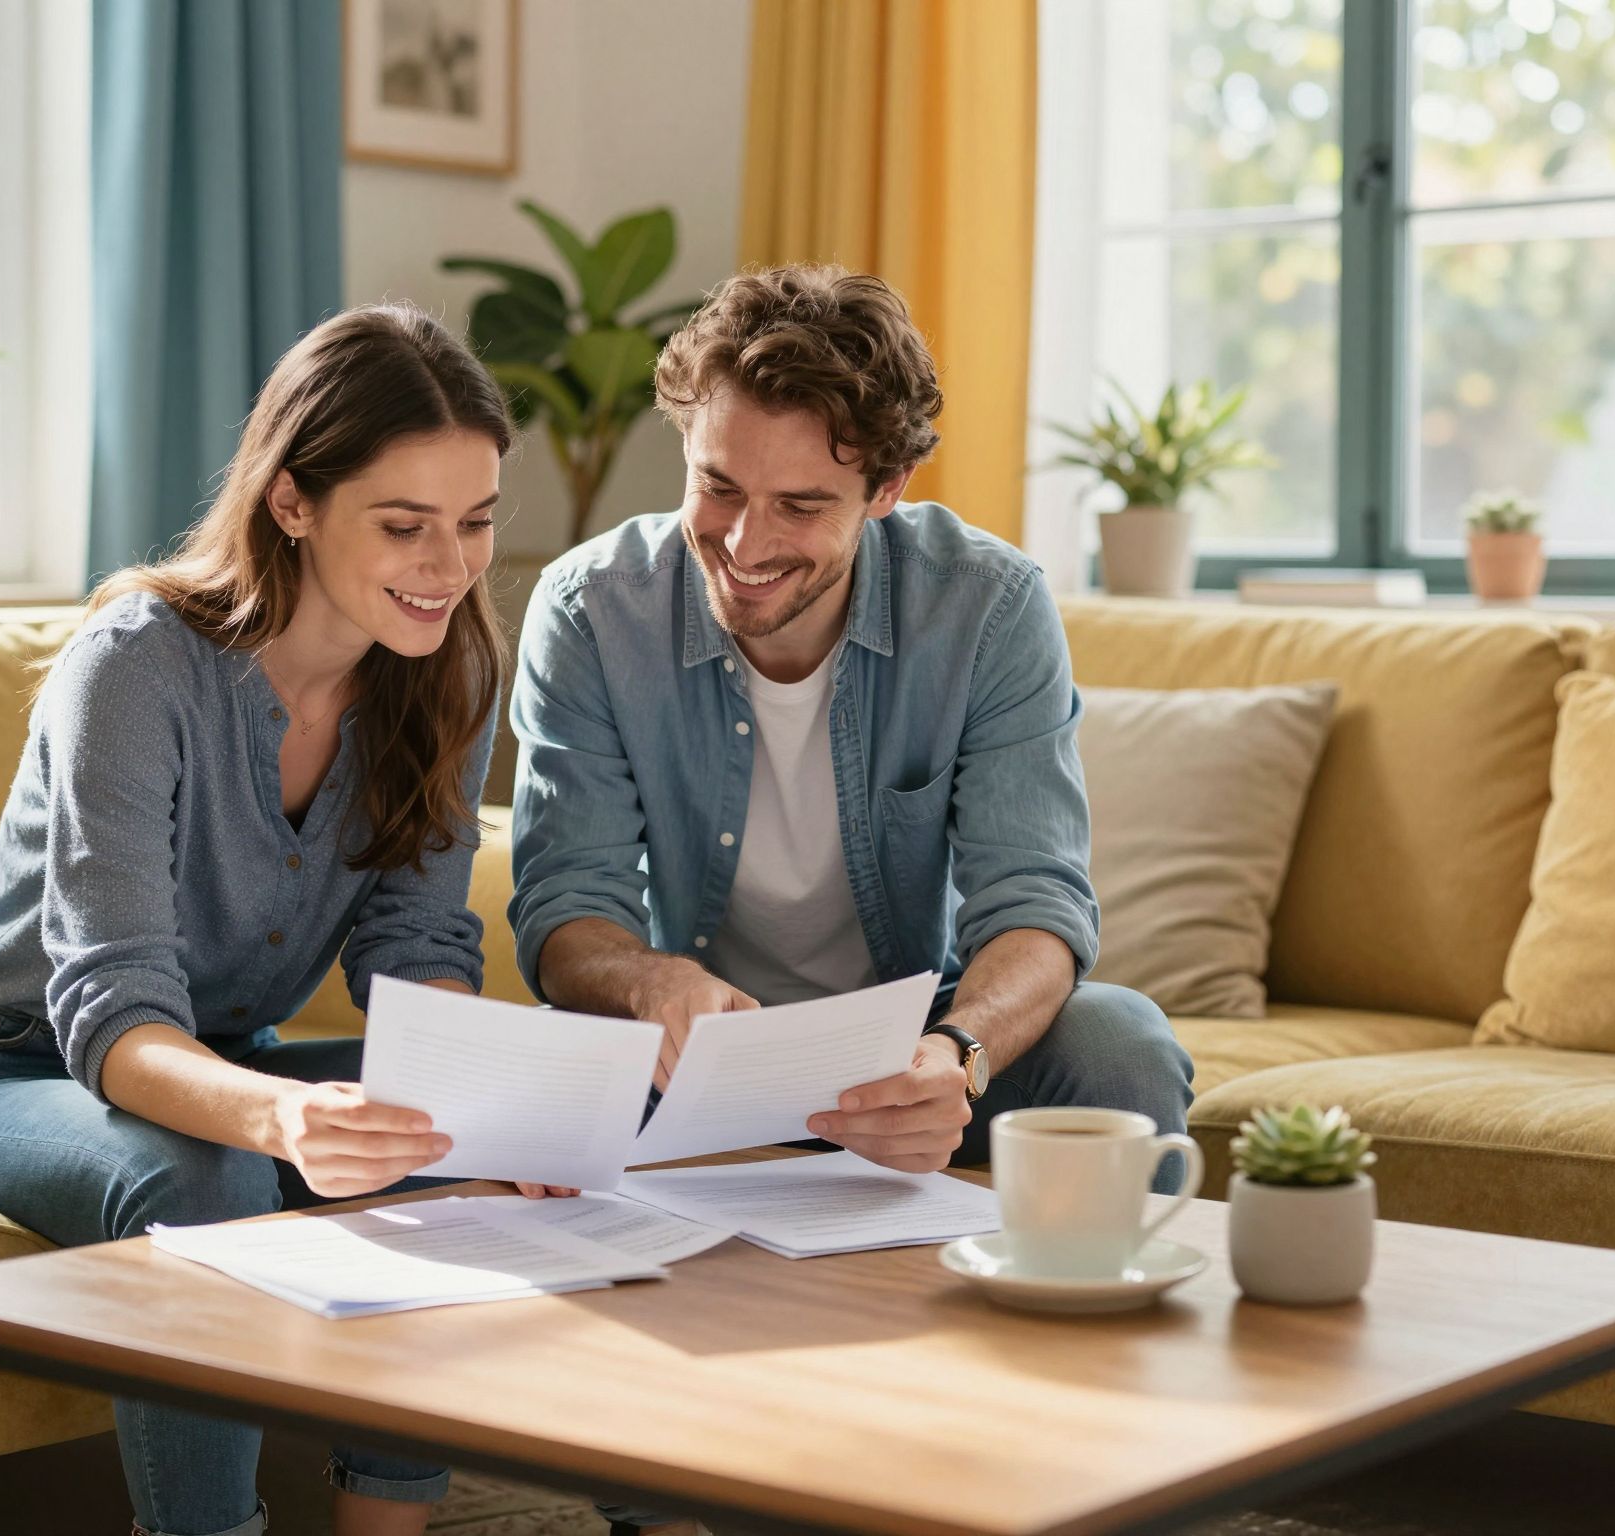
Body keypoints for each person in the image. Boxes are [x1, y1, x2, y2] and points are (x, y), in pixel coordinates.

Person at [0, 303, 507, 1536]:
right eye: (404, 526)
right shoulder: (137, 665)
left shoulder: (452, 669)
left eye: (477, 522)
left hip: (225, 1062)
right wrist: (283, 1116)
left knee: (439, 1140)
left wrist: (476, 1104)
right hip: (3, 1072)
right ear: (291, 502)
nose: (449, 566)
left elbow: (418, 948)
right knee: (209, 1175)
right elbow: (114, 1016)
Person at [508, 264, 1194, 1204]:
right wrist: (650, 984)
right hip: (683, 1053)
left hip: (909, 1049)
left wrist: (956, 1056)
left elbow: (1034, 901)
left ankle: (1111, 1293)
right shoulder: (593, 609)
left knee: (1120, 1045)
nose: (745, 545)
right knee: (534, 1082)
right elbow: (565, 904)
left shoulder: (988, 606)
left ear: (886, 487)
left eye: (800, 506)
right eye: (718, 487)